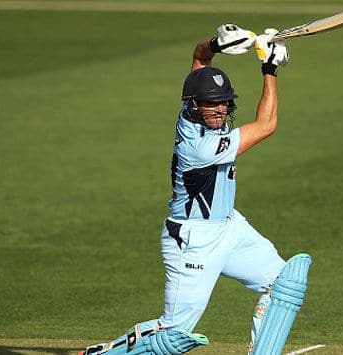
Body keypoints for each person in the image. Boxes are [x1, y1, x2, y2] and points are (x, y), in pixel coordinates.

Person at [81, 24, 312, 355]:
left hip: (229, 227)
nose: (220, 110)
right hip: (193, 240)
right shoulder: (200, 147)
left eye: (224, 103)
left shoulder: (189, 110)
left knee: (284, 283)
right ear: (196, 105)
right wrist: (269, 68)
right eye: (212, 104)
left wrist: (216, 44)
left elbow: (199, 58)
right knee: (173, 334)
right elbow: (266, 126)